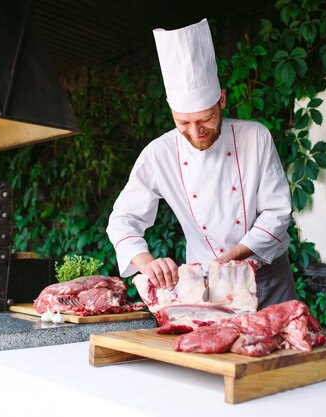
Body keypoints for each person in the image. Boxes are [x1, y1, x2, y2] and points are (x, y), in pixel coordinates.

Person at [106, 19, 296, 309]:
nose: (196, 132)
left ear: (221, 100)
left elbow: (277, 212)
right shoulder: (159, 154)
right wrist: (145, 262)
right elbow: (122, 220)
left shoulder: (255, 137)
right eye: (183, 122)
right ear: (172, 112)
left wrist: (235, 257)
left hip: (268, 277)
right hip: (208, 286)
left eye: (205, 119)